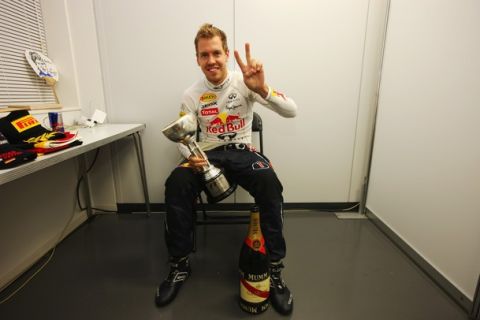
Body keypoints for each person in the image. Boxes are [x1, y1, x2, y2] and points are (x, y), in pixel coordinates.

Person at [156, 23, 297, 315]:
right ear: (197, 59)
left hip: (243, 152)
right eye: (204, 55)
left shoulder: (245, 82)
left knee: (270, 183)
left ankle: (274, 269)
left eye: (216, 53)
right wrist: (190, 154)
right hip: (207, 154)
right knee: (176, 183)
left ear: (226, 54)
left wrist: (263, 90)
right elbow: (184, 137)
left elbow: (291, 110)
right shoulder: (191, 94)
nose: (211, 61)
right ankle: (179, 265)